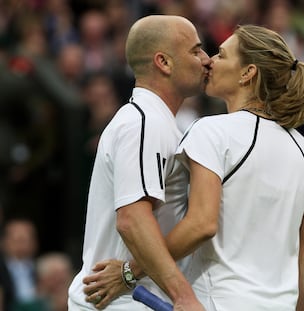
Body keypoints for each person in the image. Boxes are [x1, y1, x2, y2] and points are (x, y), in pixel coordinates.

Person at [84, 24, 304, 311]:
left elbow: (201, 224)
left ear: (248, 73)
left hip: (218, 301)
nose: (209, 61)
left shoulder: (212, 132)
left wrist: (129, 272)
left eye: (221, 55)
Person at [67, 15, 210, 311]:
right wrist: (183, 295)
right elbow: (132, 220)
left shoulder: (155, 121)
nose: (206, 60)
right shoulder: (144, 123)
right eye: (195, 51)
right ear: (164, 62)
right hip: (123, 301)